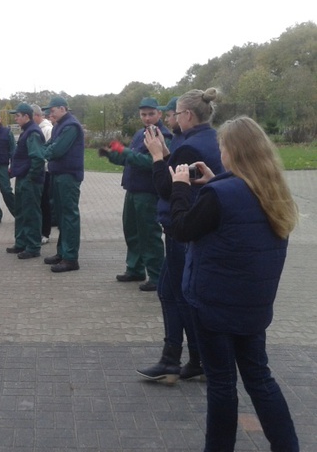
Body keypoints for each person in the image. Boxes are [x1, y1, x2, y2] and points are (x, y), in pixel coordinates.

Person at [169, 116, 299, 452]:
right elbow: (238, 211)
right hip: (253, 304)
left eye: (223, 148)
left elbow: (182, 228)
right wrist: (218, 181)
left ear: (233, 152)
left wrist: (181, 187)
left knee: (222, 384)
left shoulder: (219, 195)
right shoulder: (272, 190)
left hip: (214, 304)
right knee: (259, 379)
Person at [136, 90, 224, 382]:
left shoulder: (189, 147)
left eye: (175, 113)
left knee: (174, 294)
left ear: (187, 115)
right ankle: (193, 358)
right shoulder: (209, 139)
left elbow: (167, 188)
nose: (171, 118)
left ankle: (175, 359)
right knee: (176, 291)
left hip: (182, 226)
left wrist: (158, 157)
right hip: (199, 225)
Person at [100, 97, 170, 290]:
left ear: (159, 114)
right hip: (132, 190)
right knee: (132, 232)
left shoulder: (162, 136)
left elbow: (151, 162)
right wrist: (112, 155)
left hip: (148, 192)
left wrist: (125, 152)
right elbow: (130, 159)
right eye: (143, 114)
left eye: (150, 114)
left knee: (149, 235)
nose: (147, 118)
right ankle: (135, 269)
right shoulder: (141, 134)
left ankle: (156, 276)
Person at [43, 96, 85, 273]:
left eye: (52, 110)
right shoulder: (60, 125)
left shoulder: (70, 126)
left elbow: (57, 150)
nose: (50, 114)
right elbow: (49, 146)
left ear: (62, 108)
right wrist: (46, 151)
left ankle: (70, 258)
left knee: (68, 216)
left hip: (68, 176)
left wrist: (45, 152)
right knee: (60, 216)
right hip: (58, 174)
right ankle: (62, 252)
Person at [5, 103, 45, 259]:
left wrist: (30, 177)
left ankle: (33, 247)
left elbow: (38, 158)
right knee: (21, 212)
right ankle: (21, 243)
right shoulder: (26, 132)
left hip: (30, 180)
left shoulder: (33, 133)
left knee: (31, 213)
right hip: (23, 178)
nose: (16, 118)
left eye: (18, 115)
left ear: (26, 116)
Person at [32, 104, 53, 245]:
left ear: (37, 116)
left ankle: (45, 232)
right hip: (39, 171)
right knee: (40, 203)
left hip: (46, 171)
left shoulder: (47, 130)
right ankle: (39, 230)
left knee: (45, 202)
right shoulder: (35, 130)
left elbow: (49, 151)